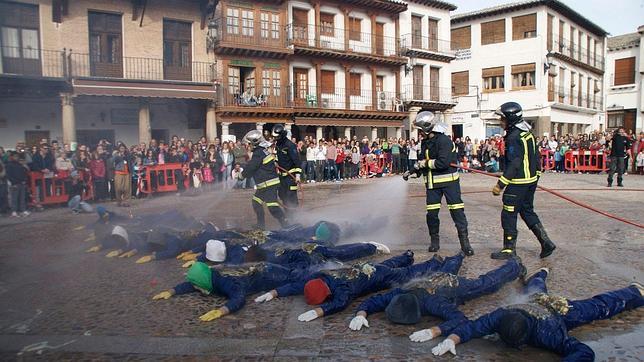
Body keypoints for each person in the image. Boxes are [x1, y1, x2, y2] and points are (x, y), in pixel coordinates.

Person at [429, 269, 643, 360]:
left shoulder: (548, 333)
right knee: (535, 287)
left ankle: (635, 292)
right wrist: (451, 339)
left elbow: (583, 351)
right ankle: (540, 273)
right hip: (531, 302)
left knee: (598, 307)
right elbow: (472, 327)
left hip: (559, 311)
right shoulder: (501, 315)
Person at [254, 252, 464, 321]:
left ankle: (435, 262)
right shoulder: (323, 276)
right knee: (388, 265)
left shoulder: (342, 288)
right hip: (368, 269)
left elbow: (340, 304)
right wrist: (274, 293)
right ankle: (407, 255)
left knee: (407, 275)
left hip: (377, 277)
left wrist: (319, 312)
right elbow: (299, 285)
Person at [349, 257, 525, 333]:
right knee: (446, 269)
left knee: (485, 284)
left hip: (451, 286)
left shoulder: (434, 303)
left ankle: (514, 267)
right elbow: (373, 301)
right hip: (430, 279)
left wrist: (436, 331)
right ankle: (455, 258)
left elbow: (459, 318)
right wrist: (361, 314)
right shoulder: (399, 293)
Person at [491, 102, 556, 260]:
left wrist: (501, 184)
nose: (501, 122)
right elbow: (536, 156)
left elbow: (515, 163)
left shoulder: (513, 137)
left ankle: (509, 249)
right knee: (527, 211)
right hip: (530, 181)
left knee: (508, 214)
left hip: (518, 183)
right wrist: (536, 176)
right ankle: (546, 242)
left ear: (510, 119)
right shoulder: (526, 133)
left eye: (503, 119)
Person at [403, 111, 473, 256]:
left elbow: (442, 163)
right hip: (432, 186)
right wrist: (415, 171)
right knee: (432, 215)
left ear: (428, 128)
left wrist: (424, 163)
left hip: (449, 184)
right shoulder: (425, 142)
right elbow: (423, 163)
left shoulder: (444, 141)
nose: (420, 133)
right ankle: (434, 242)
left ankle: (465, 244)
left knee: (457, 212)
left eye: (421, 130)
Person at [151, 261, 312, 322]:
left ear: (203, 282)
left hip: (270, 274)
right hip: (262, 268)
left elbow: (239, 297)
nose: (196, 288)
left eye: (197, 285)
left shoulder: (224, 282)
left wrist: (222, 311)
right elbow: (191, 285)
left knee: (301, 277)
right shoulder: (209, 277)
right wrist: (172, 291)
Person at [240, 130, 287, 229]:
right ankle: (260, 225)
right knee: (256, 202)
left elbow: (252, 167)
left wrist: (242, 175)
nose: (247, 146)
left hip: (269, 185)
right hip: (264, 185)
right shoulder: (262, 151)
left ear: (254, 143)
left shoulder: (258, 153)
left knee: (272, 206)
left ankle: (286, 224)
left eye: (248, 144)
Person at [272, 124, 301, 211]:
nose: (275, 139)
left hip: (290, 177)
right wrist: (275, 162)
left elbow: (297, 161)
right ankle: (288, 214)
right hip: (281, 177)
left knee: (291, 197)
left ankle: (295, 216)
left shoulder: (290, 145)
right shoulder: (278, 144)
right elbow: (277, 156)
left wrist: (298, 175)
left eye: (276, 137)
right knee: (282, 196)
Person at [5, 151, 30, 217]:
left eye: (17, 156)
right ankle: (14, 212)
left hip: (22, 183)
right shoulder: (9, 165)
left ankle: (23, 210)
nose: (17, 157)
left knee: (22, 198)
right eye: (15, 156)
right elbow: (9, 175)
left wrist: (24, 180)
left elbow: (24, 173)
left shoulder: (20, 164)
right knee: (14, 198)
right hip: (14, 184)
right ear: (11, 157)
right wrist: (13, 183)